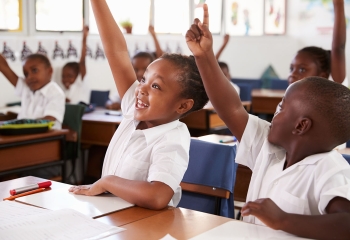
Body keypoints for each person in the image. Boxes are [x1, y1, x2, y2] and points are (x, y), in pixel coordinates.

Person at [185, 4, 350, 239]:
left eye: (282, 107)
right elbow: (230, 107)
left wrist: (282, 219)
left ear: (301, 126)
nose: (275, 110)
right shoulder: (268, 147)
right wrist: (204, 56)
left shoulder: (329, 168)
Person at [69, 0, 209, 210]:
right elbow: (116, 51)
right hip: (113, 218)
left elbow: (158, 196)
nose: (141, 89)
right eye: (143, 79)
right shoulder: (132, 110)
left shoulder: (173, 138)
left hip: (147, 228)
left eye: (156, 86)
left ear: (182, 106)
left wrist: (108, 181)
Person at [288, 0, 346, 85]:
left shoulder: (331, 92)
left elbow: (338, 48)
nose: (293, 74)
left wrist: (338, 4)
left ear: (322, 76)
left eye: (302, 70)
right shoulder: (289, 97)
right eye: (291, 69)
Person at [0, 53, 65, 129]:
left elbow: (48, 120)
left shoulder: (56, 93)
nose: (29, 77)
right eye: (26, 74)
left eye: (34, 70)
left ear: (50, 71)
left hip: (46, 137)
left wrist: (18, 125)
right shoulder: (26, 87)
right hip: (24, 135)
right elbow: (4, 67)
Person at [61, 25, 91, 104]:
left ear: (78, 75)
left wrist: (84, 38)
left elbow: (82, 62)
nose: (66, 79)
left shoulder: (81, 84)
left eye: (70, 76)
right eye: (63, 76)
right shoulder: (66, 92)